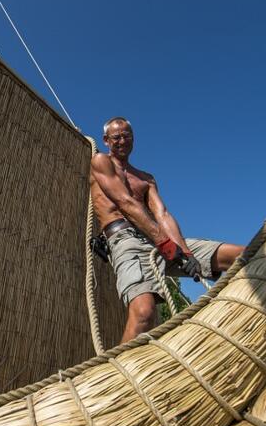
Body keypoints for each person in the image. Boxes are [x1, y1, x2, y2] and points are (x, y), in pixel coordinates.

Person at [89, 116, 243, 343]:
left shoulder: (146, 179)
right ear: (106, 140)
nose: (122, 141)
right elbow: (126, 203)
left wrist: (185, 252)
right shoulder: (101, 161)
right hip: (126, 240)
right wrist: (166, 245)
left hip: (157, 238)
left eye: (127, 136)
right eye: (116, 137)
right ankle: (115, 375)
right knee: (144, 314)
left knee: (240, 255)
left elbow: (162, 215)